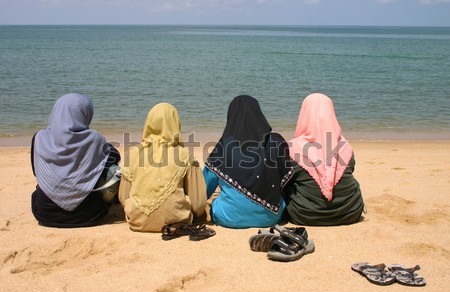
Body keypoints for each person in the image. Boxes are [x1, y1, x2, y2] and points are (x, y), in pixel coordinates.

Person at [203, 95, 295, 229]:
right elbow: (284, 183)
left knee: (216, 203)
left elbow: (204, 190)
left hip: (228, 217)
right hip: (270, 217)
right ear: (259, 114)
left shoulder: (224, 146)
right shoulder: (276, 142)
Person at [31, 93, 121, 228]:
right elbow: (114, 159)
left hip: (45, 213)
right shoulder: (94, 139)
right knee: (111, 167)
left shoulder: (39, 138)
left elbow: (36, 171)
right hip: (89, 214)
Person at [118, 103, 207, 232]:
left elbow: (123, 197)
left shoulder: (132, 154)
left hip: (137, 222)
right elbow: (198, 204)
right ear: (175, 124)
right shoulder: (185, 155)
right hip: (177, 223)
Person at [284, 93, 365, 226]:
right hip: (350, 212)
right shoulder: (345, 146)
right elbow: (351, 170)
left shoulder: (293, 148)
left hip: (306, 215)